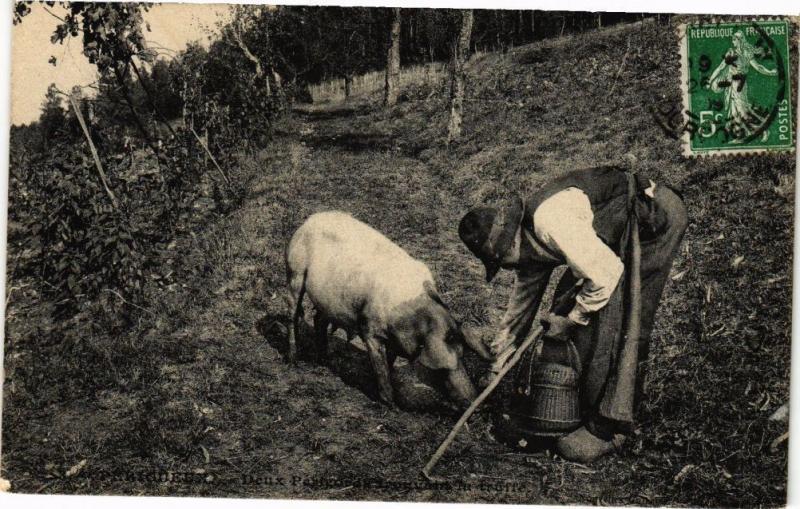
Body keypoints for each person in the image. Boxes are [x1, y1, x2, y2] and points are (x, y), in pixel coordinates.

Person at [458, 166, 688, 462]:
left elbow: (605, 275)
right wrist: (497, 365)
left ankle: (610, 426)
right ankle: (581, 403)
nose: (508, 269)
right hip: (613, 236)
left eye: (502, 261)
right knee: (573, 301)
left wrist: (571, 321)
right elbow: (520, 309)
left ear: (512, 242)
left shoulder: (551, 222)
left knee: (626, 317)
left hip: (652, 219)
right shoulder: (525, 244)